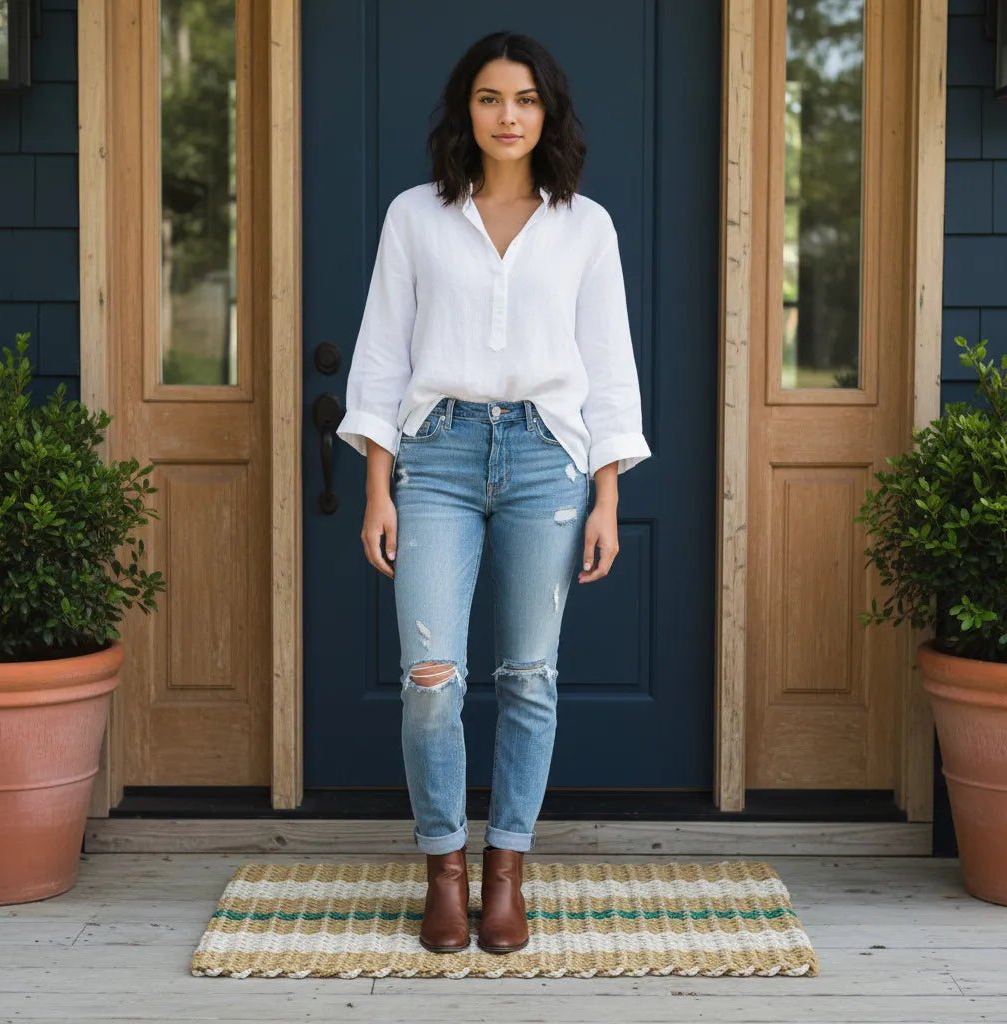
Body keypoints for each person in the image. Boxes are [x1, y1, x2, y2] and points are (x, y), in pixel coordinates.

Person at [335, 30, 652, 955]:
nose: (505, 116)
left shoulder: (585, 226)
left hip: (548, 462)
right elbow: (383, 357)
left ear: (546, 112)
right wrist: (377, 488)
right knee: (431, 681)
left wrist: (607, 498)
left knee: (528, 678)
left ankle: (506, 870)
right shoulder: (415, 217)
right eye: (487, 98)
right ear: (464, 111)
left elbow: (610, 371)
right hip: (434, 454)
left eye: (523, 99)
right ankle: (445, 868)